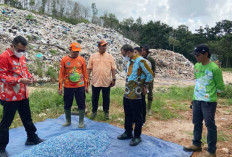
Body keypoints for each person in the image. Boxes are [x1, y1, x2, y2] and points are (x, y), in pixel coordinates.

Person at [0, 36, 44, 157]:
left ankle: (32, 138)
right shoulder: (4, 57)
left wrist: (30, 77)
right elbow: (2, 76)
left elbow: (24, 71)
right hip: (10, 96)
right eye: (19, 50)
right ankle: (1, 147)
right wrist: (19, 80)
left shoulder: (22, 57)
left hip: (23, 94)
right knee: (6, 122)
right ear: (13, 46)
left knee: (27, 118)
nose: (21, 53)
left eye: (24, 50)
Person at [183, 44, 225, 157]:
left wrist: (209, 96)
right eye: (195, 55)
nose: (196, 57)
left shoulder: (214, 68)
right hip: (197, 100)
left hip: (208, 102)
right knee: (196, 122)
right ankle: (196, 144)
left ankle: (212, 151)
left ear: (206, 54)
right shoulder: (196, 66)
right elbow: (198, 82)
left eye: (198, 55)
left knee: (209, 125)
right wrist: (194, 98)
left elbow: (220, 87)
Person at [117, 44, 153, 146]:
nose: (123, 56)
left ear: (128, 52)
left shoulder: (141, 61)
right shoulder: (129, 62)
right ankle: (128, 132)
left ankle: (137, 136)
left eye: (124, 54)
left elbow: (150, 74)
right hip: (127, 93)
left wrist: (145, 85)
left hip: (137, 94)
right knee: (128, 114)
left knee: (138, 116)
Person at [58, 42, 89, 128]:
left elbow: (85, 73)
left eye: (78, 51)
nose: (76, 53)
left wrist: (86, 85)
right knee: (67, 103)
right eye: (74, 51)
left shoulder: (82, 60)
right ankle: (68, 120)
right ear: (70, 49)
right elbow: (61, 74)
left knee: (81, 103)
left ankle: (81, 121)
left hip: (80, 86)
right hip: (68, 86)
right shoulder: (64, 60)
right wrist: (60, 87)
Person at [87, 40, 116, 120]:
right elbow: (89, 68)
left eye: (105, 46)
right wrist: (87, 79)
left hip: (106, 81)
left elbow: (113, 69)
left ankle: (106, 112)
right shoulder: (93, 56)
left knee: (106, 98)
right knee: (94, 97)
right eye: (103, 46)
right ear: (98, 47)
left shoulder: (110, 57)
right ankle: (94, 112)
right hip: (95, 81)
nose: (104, 47)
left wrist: (113, 79)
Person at [134, 47, 151, 124]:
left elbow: (149, 75)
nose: (134, 54)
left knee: (141, 104)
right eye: (133, 52)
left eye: (136, 52)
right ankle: (135, 119)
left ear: (140, 53)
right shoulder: (133, 62)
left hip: (141, 86)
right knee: (135, 104)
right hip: (134, 87)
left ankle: (142, 120)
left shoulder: (146, 62)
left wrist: (145, 86)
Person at [140, 45, 156, 116]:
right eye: (141, 50)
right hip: (141, 79)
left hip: (149, 79)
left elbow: (153, 71)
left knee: (149, 93)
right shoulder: (139, 59)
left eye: (144, 50)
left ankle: (148, 109)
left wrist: (151, 80)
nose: (142, 51)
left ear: (147, 52)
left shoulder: (151, 60)